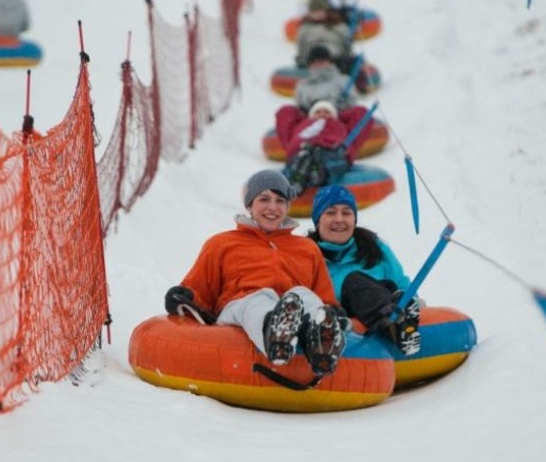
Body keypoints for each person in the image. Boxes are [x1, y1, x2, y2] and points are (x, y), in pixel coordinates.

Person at [164, 170, 352, 377]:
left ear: (288, 207)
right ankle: (276, 334)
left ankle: (319, 341)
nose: (272, 207)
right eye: (264, 199)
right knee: (259, 299)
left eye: (280, 200)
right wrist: (185, 297)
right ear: (250, 205)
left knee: (302, 294)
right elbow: (200, 289)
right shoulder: (222, 244)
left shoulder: (306, 248)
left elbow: (323, 295)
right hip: (240, 307)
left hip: (294, 308)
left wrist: (332, 311)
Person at [307, 184, 422, 355]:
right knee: (350, 285)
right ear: (318, 220)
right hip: (338, 328)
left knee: (357, 281)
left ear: (354, 219)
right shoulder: (305, 255)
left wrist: (411, 302)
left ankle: (399, 324)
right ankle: (394, 322)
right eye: (330, 213)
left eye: (346, 213)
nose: (339, 219)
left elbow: (402, 286)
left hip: (385, 303)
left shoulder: (375, 248)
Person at [275, 45, 373, 193]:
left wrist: (337, 111)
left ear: (330, 62)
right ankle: (298, 167)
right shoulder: (303, 85)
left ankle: (324, 170)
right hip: (307, 130)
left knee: (360, 114)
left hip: (334, 132)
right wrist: (310, 116)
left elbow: (355, 107)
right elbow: (298, 106)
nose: (319, 65)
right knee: (286, 113)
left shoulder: (342, 81)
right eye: (315, 62)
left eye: (323, 61)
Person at [278, 99, 351, 194]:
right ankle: (299, 178)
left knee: (318, 154)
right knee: (304, 156)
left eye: (326, 112)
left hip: (328, 152)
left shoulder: (337, 125)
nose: (322, 114)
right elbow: (296, 140)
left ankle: (316, 173)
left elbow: (337, 139)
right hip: (307, 151)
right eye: (318, 112)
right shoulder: (304, 125)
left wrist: (319, 142)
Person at [295, 0, 354, 74]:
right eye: (314, 12)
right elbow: (301, 48)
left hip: (334, 55)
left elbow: (346, 45)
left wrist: (347, 57)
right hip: (313, 55)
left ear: (325, 11)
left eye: (320, 11)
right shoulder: (305, 29)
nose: (317, 14)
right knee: (316, 52)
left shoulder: (338, 25)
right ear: (310, 13)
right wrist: (301, 60)